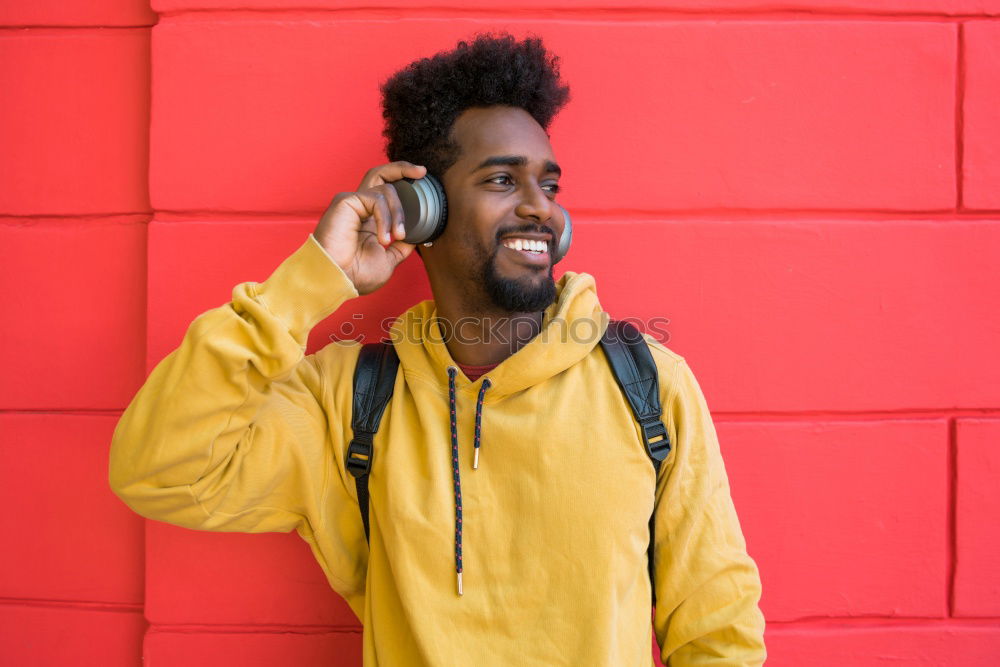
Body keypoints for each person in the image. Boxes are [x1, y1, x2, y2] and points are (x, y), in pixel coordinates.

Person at [109, 32, 766, 666]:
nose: (543, 209)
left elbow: (719, 629)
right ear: (422, 211)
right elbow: (160, 468)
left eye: (550, 184)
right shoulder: (349, 397)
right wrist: (313, 278)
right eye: (503, 182)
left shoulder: (650, 383)